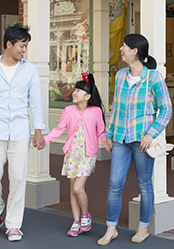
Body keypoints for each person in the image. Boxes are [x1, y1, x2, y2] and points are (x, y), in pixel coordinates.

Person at [0, 23, 47, 242]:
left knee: (17, 179)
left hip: (20, 132)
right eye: (22, 46)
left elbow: (35, 102)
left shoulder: (30, 70)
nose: (24, 50)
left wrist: (38, 131)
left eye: (25, 46)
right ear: (9, 44)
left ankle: (13, 224)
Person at [97, 34, 172, 246]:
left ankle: (143, 227)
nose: (121, 49)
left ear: (135, 51)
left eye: (124, 46)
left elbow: (166, 109)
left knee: (144, 184)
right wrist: (109, 135)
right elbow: (116, 108)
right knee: (114, 184)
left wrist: (151, 133)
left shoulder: (153, 78)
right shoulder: (120, 76)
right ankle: (111, 228)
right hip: (120, 137)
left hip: (142, 140)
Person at [40, 73, 110, 237]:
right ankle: (76, 221)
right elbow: (59, 129)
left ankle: (86, 216)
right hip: (72, 153)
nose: (74, 93)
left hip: (87, 154)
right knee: (73, 190)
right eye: (75, 90)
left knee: (79, 188)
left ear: (87, 96)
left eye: (78, 91)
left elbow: (101, 131)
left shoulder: (95, 111)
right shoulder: (68, 110)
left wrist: (108, 143)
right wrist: (45, 140)